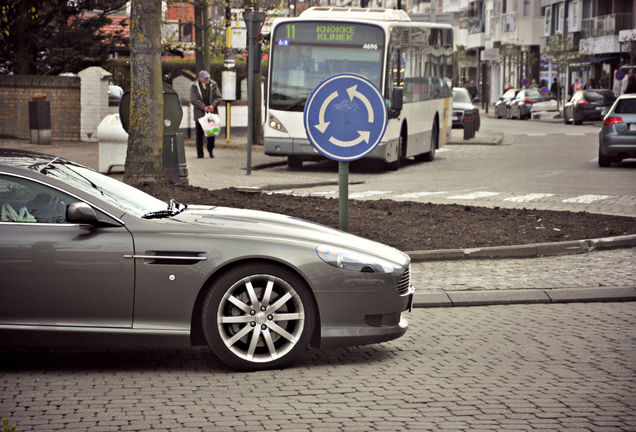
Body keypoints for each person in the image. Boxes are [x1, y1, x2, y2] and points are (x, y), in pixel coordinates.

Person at [190, 70, 222, 158]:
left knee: (211, 132)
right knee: (199, 134)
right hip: (199, 113)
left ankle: (210, 150)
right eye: (205, 78)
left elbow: (218, 97)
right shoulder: (194, 86)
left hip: (211, 112)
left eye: (208, 77)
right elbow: (193, 99)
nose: (207, 79)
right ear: (200, 79)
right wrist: (203, 107)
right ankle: (200, 153)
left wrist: (213, 105)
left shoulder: (213, 84)